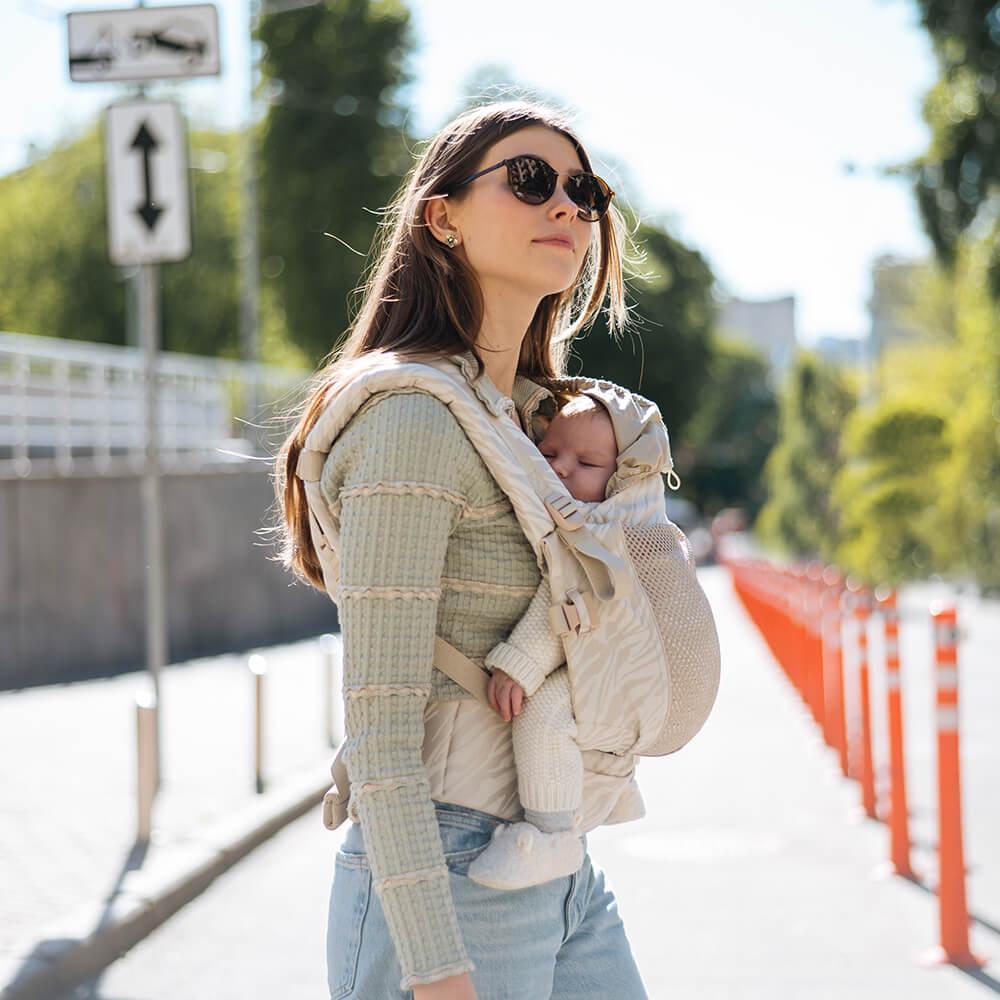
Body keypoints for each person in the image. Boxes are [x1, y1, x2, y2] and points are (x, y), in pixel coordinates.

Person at [275, 100, 649, 999]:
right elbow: (381, 734)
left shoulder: (525, 423)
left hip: (554, 861)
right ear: (440, 217)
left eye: (583, 190)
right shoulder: (411, 417)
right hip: (444, 873)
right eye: (529, 180)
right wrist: (436, 967)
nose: (566, 207)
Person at [470, 392, 623, 891]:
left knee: (544, 714)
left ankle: (550, 837)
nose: (560, 469)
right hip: (600, 665)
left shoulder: (606, 527)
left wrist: (519, 663)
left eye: (586, 463)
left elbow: (571, 597)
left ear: (620, 476)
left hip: (614, 667)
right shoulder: (575, 517)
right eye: (551, 453)